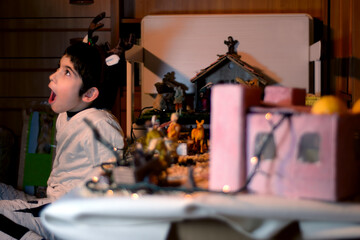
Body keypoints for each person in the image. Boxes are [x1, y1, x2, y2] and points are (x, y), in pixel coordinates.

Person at [0, 42, 125, 240]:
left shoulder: (99, 124)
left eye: (67, 72)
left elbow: (112, 181)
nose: (53, 75)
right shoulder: (65, 116)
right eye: (59, 67)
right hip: (52, 200)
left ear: (89, 94)